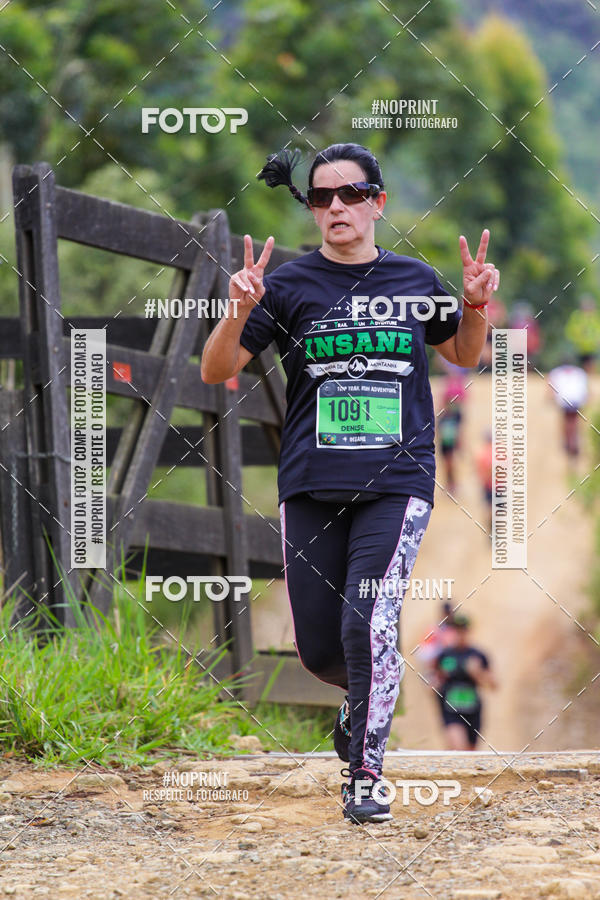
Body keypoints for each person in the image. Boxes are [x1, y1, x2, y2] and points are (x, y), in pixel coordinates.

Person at [201, 143, 499, 823]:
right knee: (319, 646)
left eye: (350, 194)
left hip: (397, 480)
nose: (336, 206)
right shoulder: (288, 286)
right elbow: (215, 371)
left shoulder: (416, 280)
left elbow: (462, 353)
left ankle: (366, 771)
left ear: (377, 203)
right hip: (310, 480)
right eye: (321, 197)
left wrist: (476, 304)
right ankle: (360, 695)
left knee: (368, 617)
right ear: (310, 209)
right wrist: (237, 308)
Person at [434, 614, 497, 750]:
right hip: (451, 710)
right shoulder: (445, 655)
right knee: (458, 746)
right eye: (457, 631)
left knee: (469, 754)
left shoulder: (478, 655)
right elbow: (434, 681)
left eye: (463, 631)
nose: (460, 634)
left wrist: (477, 673)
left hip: (472, 710)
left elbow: (493, 685)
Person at [547, 360, 589, 461]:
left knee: (569, 421)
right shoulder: (579, 372)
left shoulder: (557, 372)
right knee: (573, 421)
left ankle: (570, 442)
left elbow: (551, 388)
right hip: (574, 400)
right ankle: (572, 441)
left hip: (567, 401)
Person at [437, 370, 468, 494]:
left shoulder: (456, 414)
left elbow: (460, 428)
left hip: (451, 440)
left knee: (451, 463)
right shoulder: (444, 414)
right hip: (445, 441)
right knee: (447, 464)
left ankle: (452, 484)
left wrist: (460, 442)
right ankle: (450, 483)